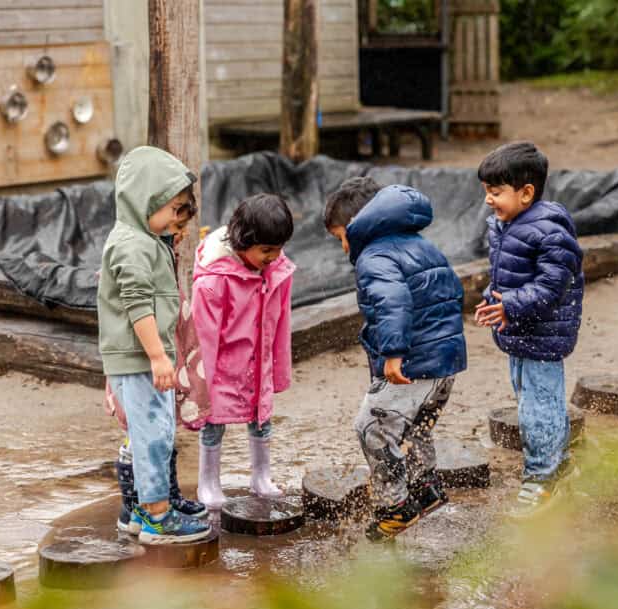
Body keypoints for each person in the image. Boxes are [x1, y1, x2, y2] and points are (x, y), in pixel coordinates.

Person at [324, 178, 467, 542]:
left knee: (371, 428)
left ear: (359, 223)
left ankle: (395, 507)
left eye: (342, 235)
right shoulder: (420, 244)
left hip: (411, 364)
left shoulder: (374, 257)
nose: (344, 247)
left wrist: (393, 353)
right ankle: (425, 486)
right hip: (443, 364)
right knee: (414, 428)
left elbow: (392, 303)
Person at [97, 145, 212, 544]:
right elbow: (136, 304)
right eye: (173, 209)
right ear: (142, 197)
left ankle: (144, 508)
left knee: (156, 430)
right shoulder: (131, 244)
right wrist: (159, 356)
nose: (177, 219)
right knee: (152, 435)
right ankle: (156, 518)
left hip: (142, 356)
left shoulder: (145, 238)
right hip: (139, 357)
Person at [474, 141, 584, 512]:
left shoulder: (549, 230)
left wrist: (511, 307)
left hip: (543, 333)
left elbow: (553, 285)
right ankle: (561, 465)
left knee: (538, 409)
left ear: (526, 193)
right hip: (519, 330)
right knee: (534, 403)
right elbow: (507, 276)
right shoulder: (504, 224)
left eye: (496, 192)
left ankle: (542, 478)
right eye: (487, 191)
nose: (489, 200)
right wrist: (494, 299)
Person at [191, 194, 296, 510]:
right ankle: (208, 481)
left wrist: (278, 371)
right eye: (266, 250)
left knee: (263, 418)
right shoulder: (213, 279)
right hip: (222, 369)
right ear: (243, 242)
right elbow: (203, 336)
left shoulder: (277, 270)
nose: (274, 256)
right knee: (213, 423)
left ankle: (261, 475)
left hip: (259, 363)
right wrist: (200, 389)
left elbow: (281, 323)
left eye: (278, 248)